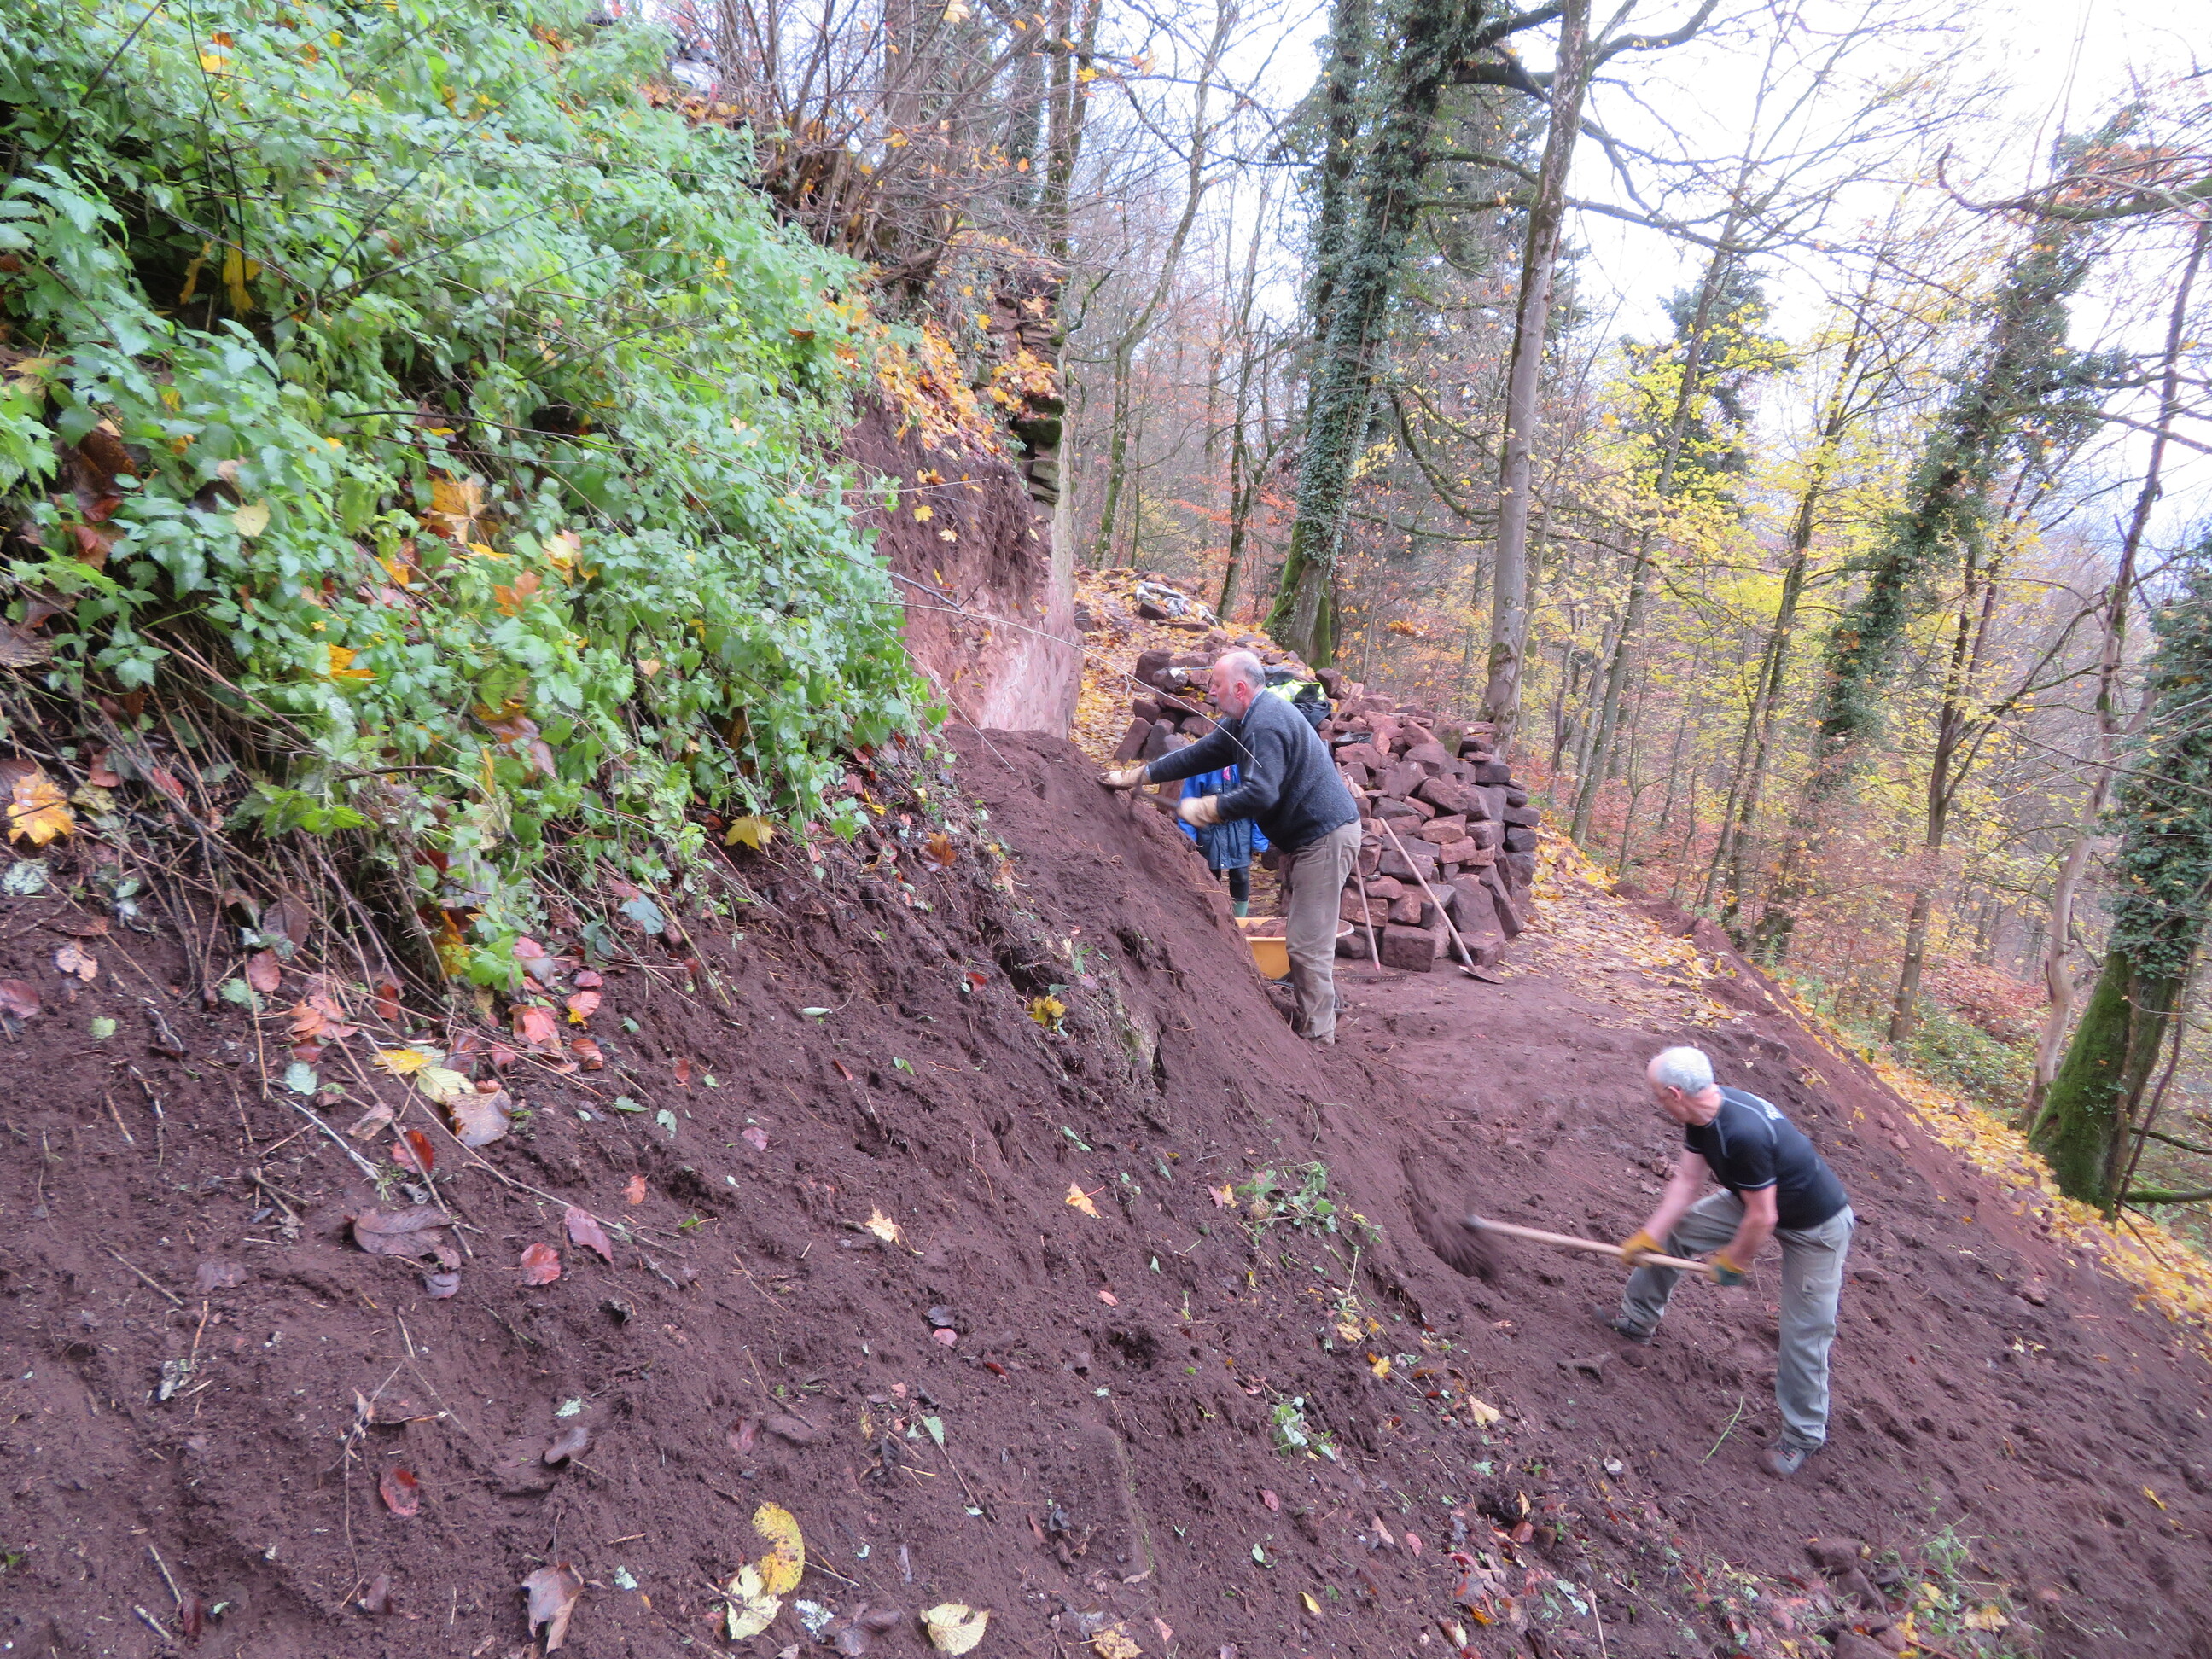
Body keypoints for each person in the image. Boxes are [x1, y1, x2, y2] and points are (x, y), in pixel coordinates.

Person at [1610, 1045, 1855, 1478]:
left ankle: (1802, 1435)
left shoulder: (1742, 1132)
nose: (1656, 1101)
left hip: (1816, 1227)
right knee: (1680, 1232)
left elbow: (1764, 1219)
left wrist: (1733, 1262)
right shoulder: (1701, 1116)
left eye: (1656, 1094)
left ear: (1675, 1094)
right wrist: (1651, 1234)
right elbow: (1688, 1181)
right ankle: (1636, 1320)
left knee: (1805, 1330)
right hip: (1754, 1201)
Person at [1098, 649, 1362, 1042]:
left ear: (1239, 689)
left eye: (1217, 685)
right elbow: (1199, 755)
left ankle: (1319, 1037)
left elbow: (1262, 792)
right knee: (1309, 935)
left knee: (1308, 944)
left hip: (1324, 836)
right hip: (1307, 836)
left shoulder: (1265, 725)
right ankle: (1319, 1013)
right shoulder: (1245, 719)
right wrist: (1141, 775)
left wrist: (1209, 808)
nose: (1211, 692)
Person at [1177, 764, 1267, 917]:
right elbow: (1187, 807)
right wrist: (1190, 840)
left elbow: (1260, 808)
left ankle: (1240, 918)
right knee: (1210, 876)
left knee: (1241, 875)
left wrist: (1259, 840)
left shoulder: (1247, 768)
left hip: (1240, 835)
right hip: (1209, 835)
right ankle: (1214, 916)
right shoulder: (1202, 770)